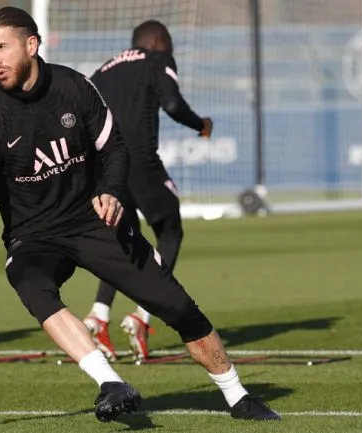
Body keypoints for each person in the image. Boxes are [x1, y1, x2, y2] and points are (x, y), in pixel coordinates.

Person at [0, 6, 279, 423]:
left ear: (32, 44)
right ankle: (110, 382)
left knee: (179, 308)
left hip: (93, 221)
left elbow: (115, 148)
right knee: (29, 282)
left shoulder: (75, 88)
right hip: (34, 234)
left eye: (2, 47)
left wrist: (112, 191)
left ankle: (238, 396)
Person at [82, 20, 213, 362]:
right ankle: (141, 315)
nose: (170, 51)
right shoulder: (157, 60)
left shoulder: (103, 70)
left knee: (124, 237)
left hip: (103, 169)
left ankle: (98, 315)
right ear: (157, 41)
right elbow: (171, 104)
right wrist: (201, 124)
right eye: (168, 44)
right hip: (138, 161)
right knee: (170, 231)